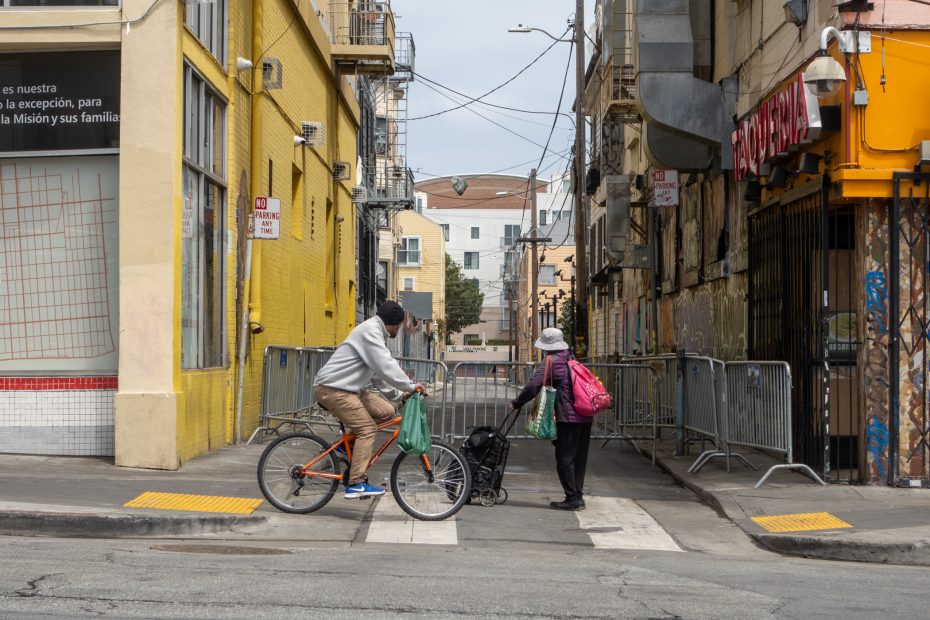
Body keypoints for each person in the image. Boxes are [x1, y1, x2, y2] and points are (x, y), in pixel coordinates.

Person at [313, 300, 425, 499]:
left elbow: (376, 373)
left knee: (387, 411)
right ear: (393, 324)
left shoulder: (375, 333)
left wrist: (400, 395)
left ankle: (343, 446)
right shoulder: (370, 332)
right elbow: (385, 365)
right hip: (333, 388)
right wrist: (410, 385)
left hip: (349, 388)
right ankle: (356, 483)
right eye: (398, 326)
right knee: (368, 430)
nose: (398, 330)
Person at [510, 327, 591, 511]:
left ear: (546, 346)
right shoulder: (571, 358)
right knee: (578, 458)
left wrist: (517, 402)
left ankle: (573, 498)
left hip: (569, 418)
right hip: (584, 415)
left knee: (564, 458)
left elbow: (533, 385)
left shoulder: (551, 362)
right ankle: (577, 494)